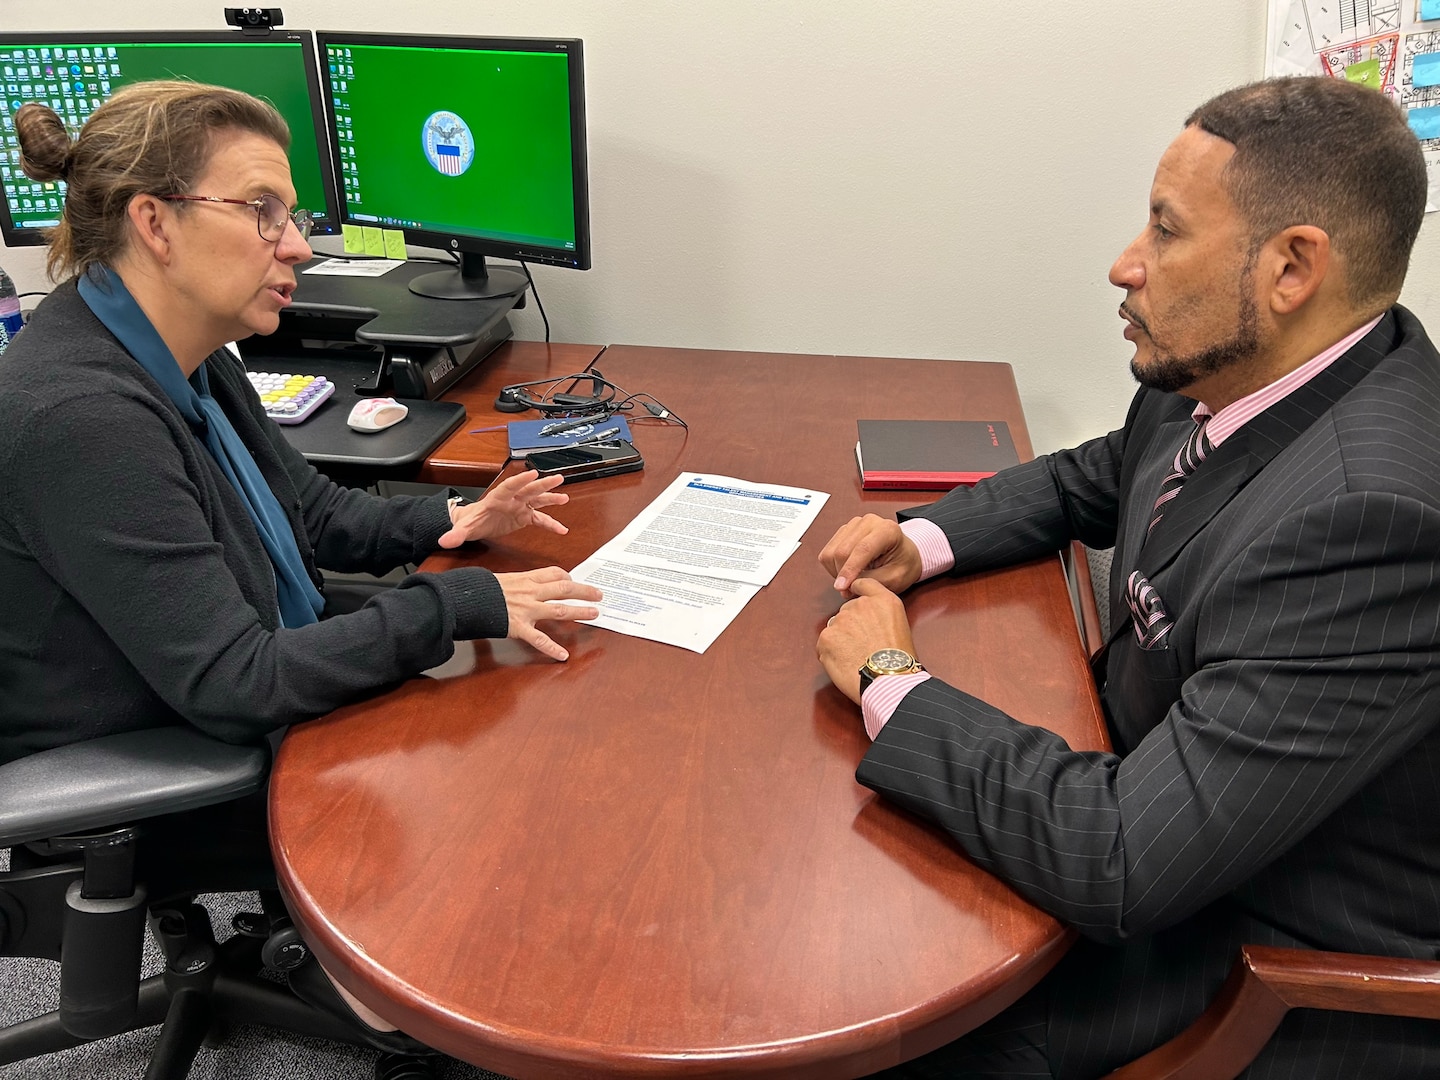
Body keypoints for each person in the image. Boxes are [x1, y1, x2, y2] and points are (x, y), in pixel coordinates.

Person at [817, 76, 1440, 1078]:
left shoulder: (1375, 520)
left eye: (1166, 230)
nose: (1125, 264)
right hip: (1159, 805)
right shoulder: (1241, 373)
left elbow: (1122, 862)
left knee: (873, 1017)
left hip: (1249, 961)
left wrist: (891, 675)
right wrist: (923, 539)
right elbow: (1105, 472)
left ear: (1291, 269)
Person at [0, 81, 600, 1059]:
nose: (301, 247)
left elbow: (312, 514)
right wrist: (456, 602)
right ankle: (361, 973)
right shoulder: (82, 415)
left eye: (297, 214)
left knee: (511, 721)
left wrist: (458, 519)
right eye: (263, 211)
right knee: (497, 793)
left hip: (222, 680)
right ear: (154, 222)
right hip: (165, 760)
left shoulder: (181, 346)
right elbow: (238, 683)